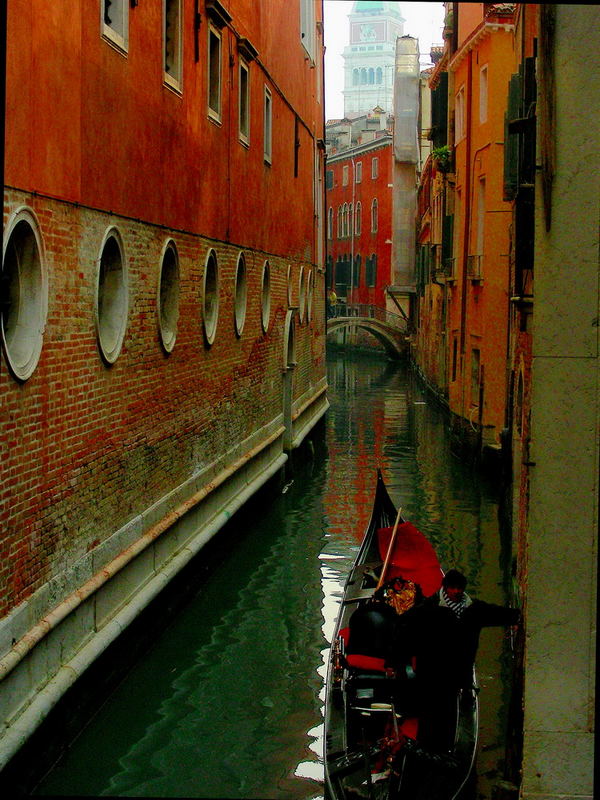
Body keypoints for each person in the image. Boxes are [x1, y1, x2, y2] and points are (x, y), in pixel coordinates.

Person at [401, 569, 520, 752]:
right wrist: (396, 660)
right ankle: (425, 750)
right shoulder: (427, 609)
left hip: (458, 672)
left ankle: (445, 750)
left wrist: (516, 616)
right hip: (432, 672)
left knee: (449, 714)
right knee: (431, 714)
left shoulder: (473, 610)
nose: (456, 592)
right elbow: (406, 633)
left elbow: (495, 613)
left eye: (459, 588)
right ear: (445, 588)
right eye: (452, 588)